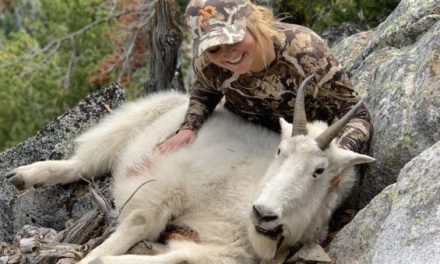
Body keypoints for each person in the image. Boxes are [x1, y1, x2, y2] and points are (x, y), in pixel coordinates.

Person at [157, 0, 372, 157]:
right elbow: (206, 90)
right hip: (251, 141)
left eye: (235, 38)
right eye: (214, 48)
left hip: (308, 145)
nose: (227, 54)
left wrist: (336, 159)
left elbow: (356, 115)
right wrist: (189, 127)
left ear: (254, 23)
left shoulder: (305, 52)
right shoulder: (209, 62)